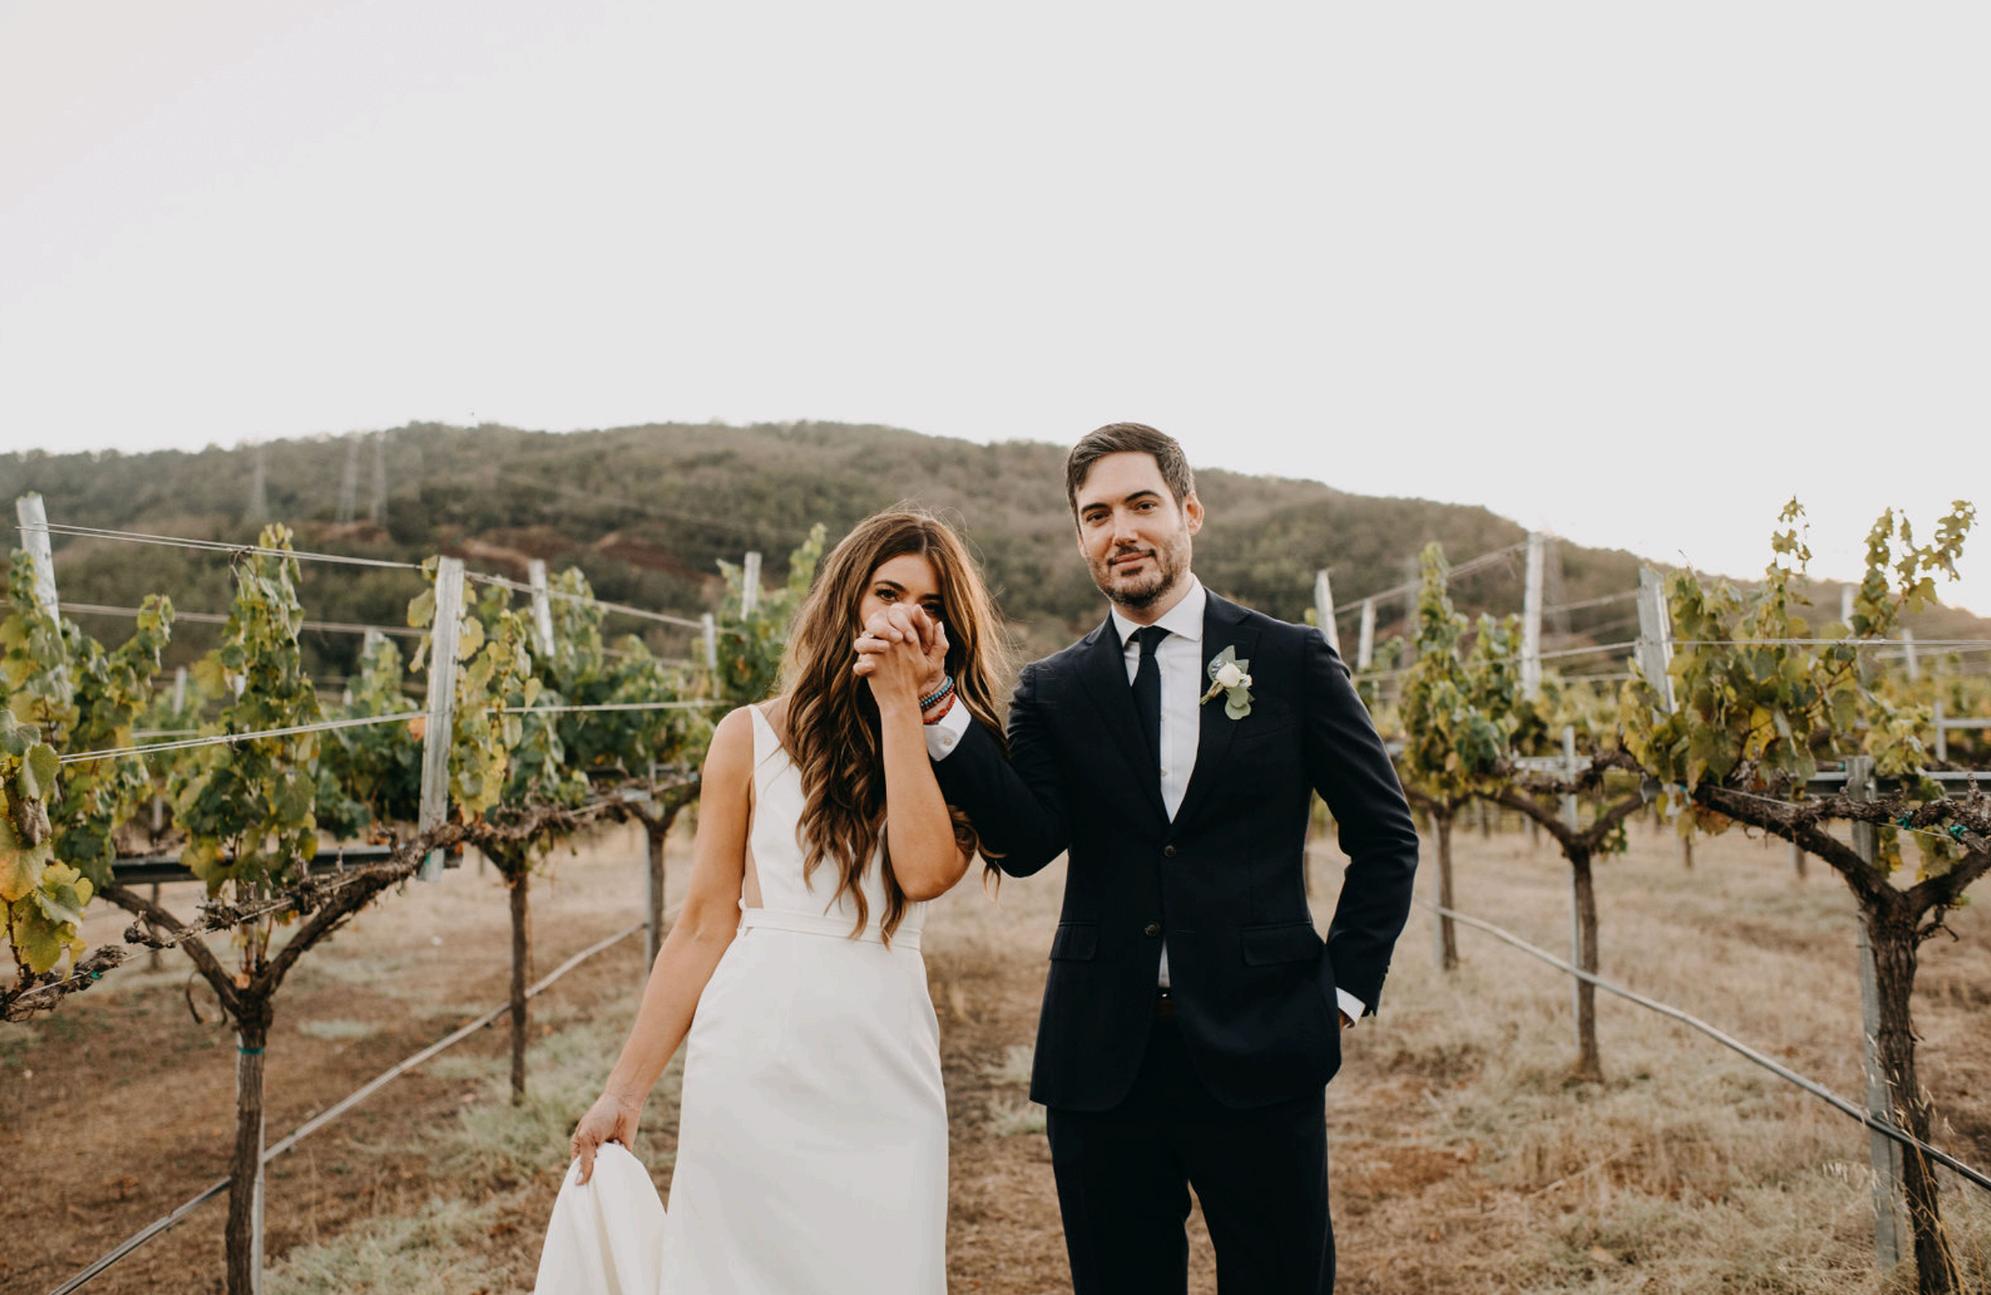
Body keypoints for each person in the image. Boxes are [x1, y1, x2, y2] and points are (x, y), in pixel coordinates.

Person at [861, 423, 1419, 1294]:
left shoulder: (1291, 660)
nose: (1119, 530)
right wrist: (935, 701)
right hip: (1100, 1059)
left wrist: (1340, 995)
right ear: (1079, 535)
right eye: (1095, 515)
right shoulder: (1053, 688)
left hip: (1263, 1044)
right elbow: (1029, 842)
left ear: (1188, 512)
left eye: (1140, 505)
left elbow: (1385, 836)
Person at [535, 508, 1006, 1295]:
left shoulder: (958, 747)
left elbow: (923, 872)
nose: (905, 617)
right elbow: (701, 924)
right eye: (887, 592)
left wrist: (901, 705)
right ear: (849, 599)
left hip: (884, 1060)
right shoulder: (747, 735)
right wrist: (624, 1089)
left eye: (929, 605)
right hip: (755, 1056)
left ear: (948, 631)